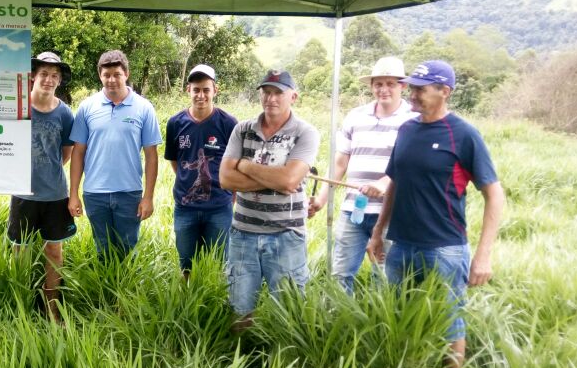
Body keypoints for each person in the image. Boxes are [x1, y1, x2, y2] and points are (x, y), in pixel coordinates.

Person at [368, 60, 505, 368]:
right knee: (400, 316)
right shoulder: (407, 129)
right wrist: (378, 232)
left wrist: (483, 255)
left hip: (444, 249)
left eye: (420, 88)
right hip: (401, 246)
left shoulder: (464, 135)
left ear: (445, 91)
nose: (412, 94)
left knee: (449, 323)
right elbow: (395, 182)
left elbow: (494, 195)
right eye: (412, 87)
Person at [218, 69, 320, 333]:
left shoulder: (305, 133)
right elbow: (226, 179)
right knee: (240, 307)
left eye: (279, 92)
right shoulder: (242, 130)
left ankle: (284, 365)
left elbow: (289, 181)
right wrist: (277, 177)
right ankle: (241, 360)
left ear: (293, 96)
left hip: (286, 235)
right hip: (243, 233)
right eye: (266, 91)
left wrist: (245, 165)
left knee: (289, 310)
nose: (271, 98)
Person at [308, 56, 417, 292]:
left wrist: (386, 182)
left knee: (386, 278)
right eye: (378, 84)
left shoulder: (413, 119)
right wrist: (321, 200)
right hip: (353, 211)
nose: (383, 89)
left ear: (403, 86)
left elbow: (413, 166)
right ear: (371, 86)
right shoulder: (356, 116)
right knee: (340, 274)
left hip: (392, 215)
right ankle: (339, 323)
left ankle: (382, 326)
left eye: (390, 83)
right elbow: (340, 163)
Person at [67, 50, 161, 260]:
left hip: (129, 193)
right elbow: (78, 153)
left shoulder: (144, 108)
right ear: (100, 75)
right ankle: (105, 291)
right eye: (106, 75)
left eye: (116, 74)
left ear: (126, 74)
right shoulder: (87, 107)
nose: (111, 80)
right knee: (102, 248)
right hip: (95, 193)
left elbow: (151, 156)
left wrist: (148, 197)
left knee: (127, 248)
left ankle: (127, 291)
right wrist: (73, 193)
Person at [8, 51, 77, 320]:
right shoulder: (17, 107)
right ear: (33, 76)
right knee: (20, 251)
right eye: (44, 74)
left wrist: (46, 171)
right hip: (22, 193)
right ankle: (20, 304)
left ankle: (52, 307)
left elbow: (66, 154)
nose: (49, 80)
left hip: (55, 194)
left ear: (59, 81)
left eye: (54, 76)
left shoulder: (64, 113)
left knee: (54, 251)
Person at [164, 64, 238, 280]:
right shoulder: (175, 123)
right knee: (186, 263)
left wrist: (230, 194)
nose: (201, 95)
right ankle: (188, 301)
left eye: (206, 89)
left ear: (215, 90)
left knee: (219, 262)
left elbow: (235, 164)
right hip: (185, 207)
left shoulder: (229, 123)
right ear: (188, 90)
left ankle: (215, 303)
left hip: (219, 207)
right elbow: (176, 161)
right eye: (196, 89)